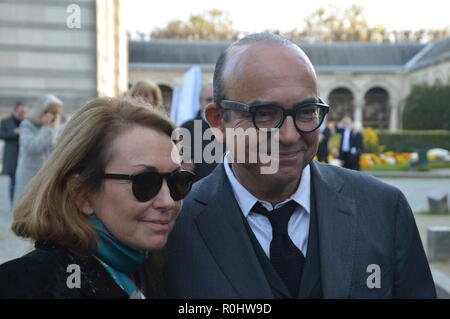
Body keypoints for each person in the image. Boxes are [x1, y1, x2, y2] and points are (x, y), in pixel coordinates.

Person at [163, 33, 436, 299]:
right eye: (265, 115)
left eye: (306, 111)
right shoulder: (173, 227)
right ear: (218, 121)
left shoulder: (384, 209)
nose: (290, 135)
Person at [0, 97, 195, 299]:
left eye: (177, 181)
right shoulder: (26, 285)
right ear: (82, 194)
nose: (168, 202)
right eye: (145, 183)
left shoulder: (160, 265)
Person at [13, 95, 63, 206]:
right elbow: (34, 147)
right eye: (53, 113)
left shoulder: (52, 127)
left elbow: (51, 151)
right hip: (29, 174)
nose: (54, 117)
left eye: (57, 113)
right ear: (43, 111)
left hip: (45, 174)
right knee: (26, 206)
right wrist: (45, 127)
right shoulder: (27, 125)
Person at [180, 83, 225, 182]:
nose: (213, 104)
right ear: (200, 102)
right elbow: (184, 167)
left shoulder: (232, 127)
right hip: (197, 192)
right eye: (209, 100)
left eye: (217, 100)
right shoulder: (187, 128)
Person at [0, 102, 29, 203]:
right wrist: (14, 132)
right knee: (13, 182)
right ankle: (14, 204)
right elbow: (1, 134)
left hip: (25, 156)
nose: (22, 114)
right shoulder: (5, 121)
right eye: (20, 112)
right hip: (12, 156)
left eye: (24, 112)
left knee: (25, 183)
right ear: (15, 110)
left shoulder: (28, 122)